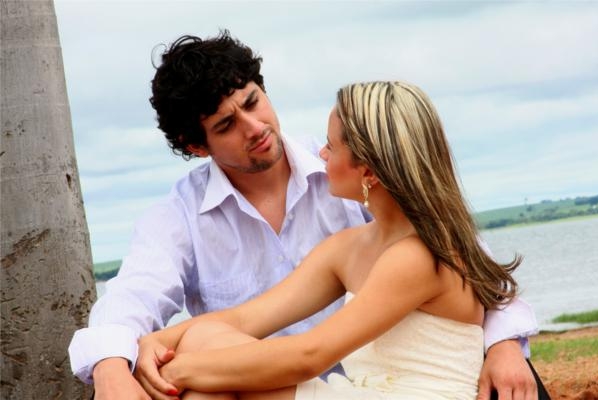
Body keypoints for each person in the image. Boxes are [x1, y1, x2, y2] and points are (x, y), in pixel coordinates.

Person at [68, 31, 539, 400]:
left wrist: (505, 343)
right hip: (321, 383)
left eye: (253, 102)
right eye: (227, 126)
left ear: (369, 171)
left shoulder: (413, 251)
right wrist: (136, 351)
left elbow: (483, 274)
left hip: (344, 380)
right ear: (197, 146)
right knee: (204, 342)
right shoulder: (182, 216)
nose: (256, 129)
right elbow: (236, 316)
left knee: (196, 366)